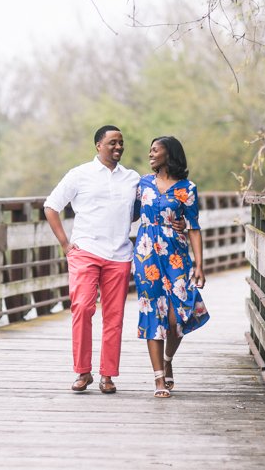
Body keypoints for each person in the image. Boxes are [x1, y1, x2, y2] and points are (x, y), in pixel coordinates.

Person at [44, 125, 186, 394]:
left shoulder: (133, 179)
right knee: (83, 308)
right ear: (98, 145)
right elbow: (51, 206)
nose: (118, 147)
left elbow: (152, 202)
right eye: (112, 143)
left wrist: (178, 222)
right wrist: (65, 244)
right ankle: (82, 371)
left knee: (114, 317)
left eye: (121, 143)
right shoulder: (79, 174)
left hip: (120, 254)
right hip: (84, 251)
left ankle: (107, 375)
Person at [133, 136, 209, 398]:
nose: (150, 153)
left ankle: (167, 359)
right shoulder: (142, 184)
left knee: (178, 316)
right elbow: (127, 212)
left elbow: (194, 227)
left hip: (176, 254)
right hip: (146, 255)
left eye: (156, 149)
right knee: (153, 312)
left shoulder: (187, 188)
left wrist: (199, 265)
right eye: (150, 149)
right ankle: (158, 379)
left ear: (170, 154)